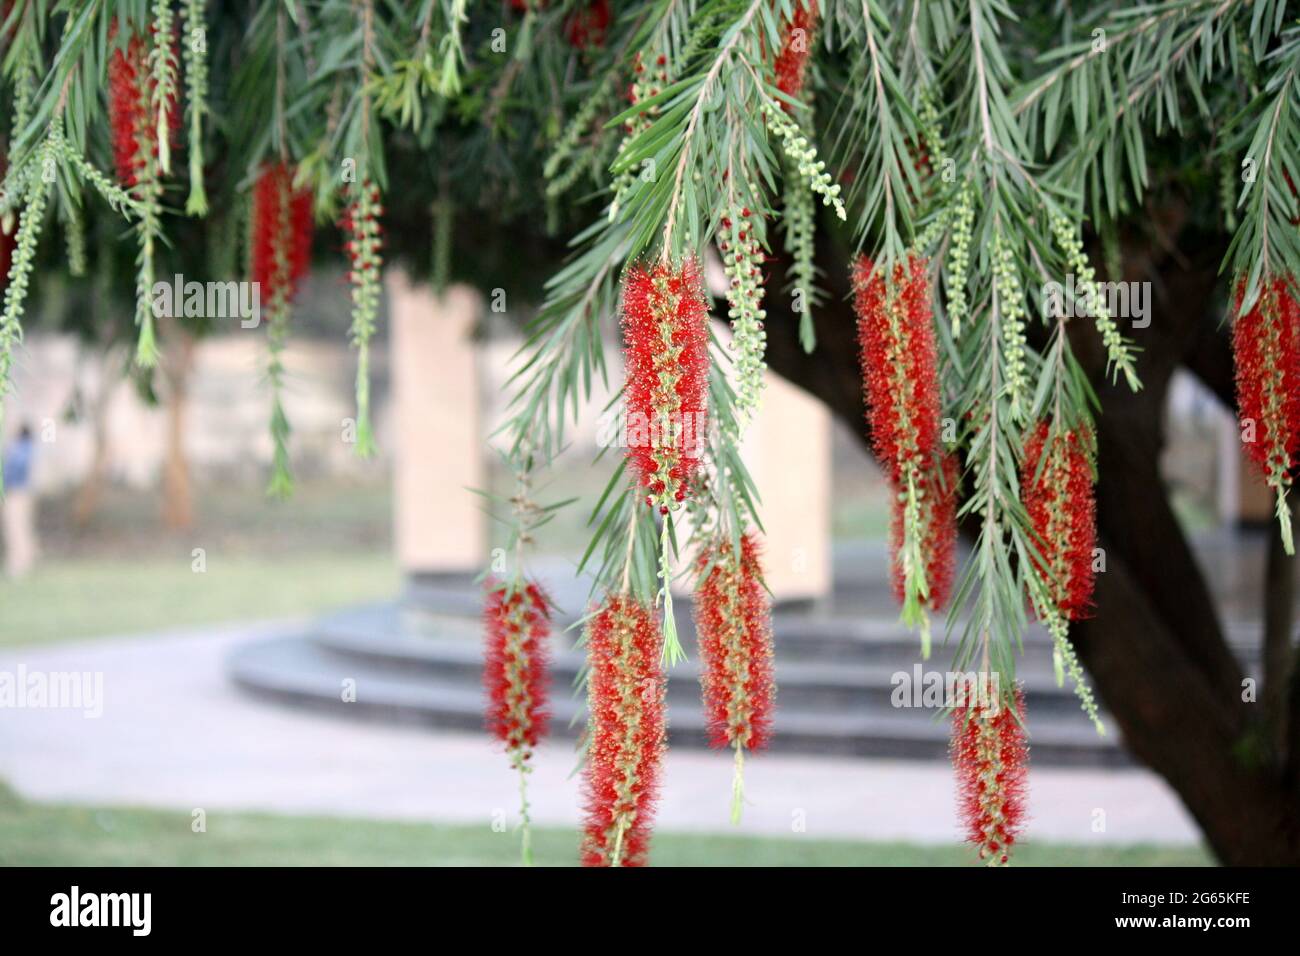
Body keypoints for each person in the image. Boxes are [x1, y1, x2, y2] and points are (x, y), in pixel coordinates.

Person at [3, 424, 38, 578]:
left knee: (15, 529)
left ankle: (18, 565)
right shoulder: (29, 449)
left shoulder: (20, 450)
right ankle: (25, 561)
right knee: (22, 528)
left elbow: (9, 473)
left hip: (16, 494)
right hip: (23, 494)